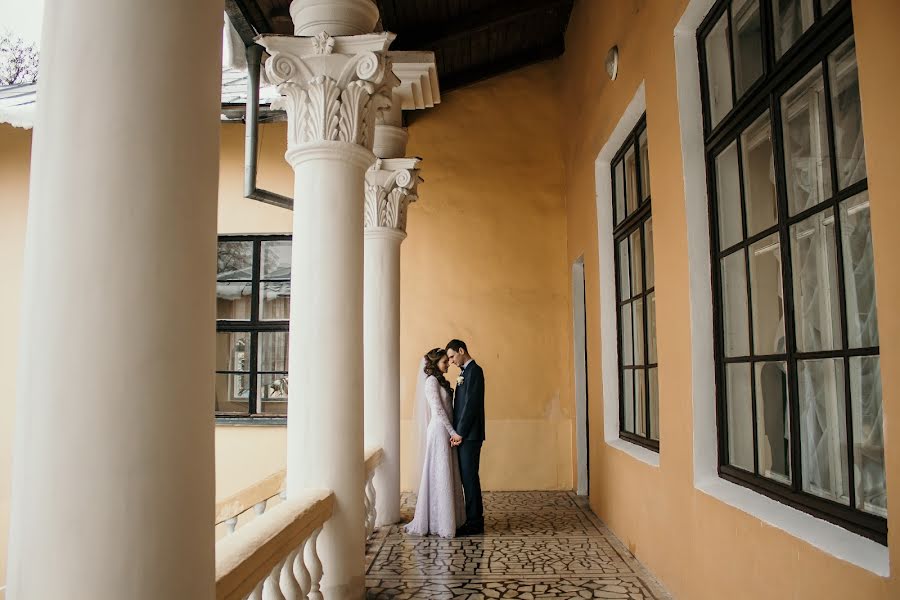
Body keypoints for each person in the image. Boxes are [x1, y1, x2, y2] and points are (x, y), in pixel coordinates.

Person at [405, 348, 466, 537]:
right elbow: (439, 411)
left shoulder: (440, 381)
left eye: (447, 361)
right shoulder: (431, 382)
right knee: (440, 472)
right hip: (439, 431)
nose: (447, 364)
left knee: (447, 472)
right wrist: (453, 432)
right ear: (434, 364)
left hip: (445, 431)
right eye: (444, 362)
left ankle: (450, 519)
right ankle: (440, 523)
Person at [446, 339, 485, 536]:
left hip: (470, 435)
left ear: (462, 350)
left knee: (470, 478)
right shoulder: (464, 373)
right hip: (464, 434)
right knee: (466, 478)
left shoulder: (475, 371)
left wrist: (460, 432)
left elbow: (471, 405)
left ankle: (475, 522)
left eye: (452, 356)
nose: (451, 361)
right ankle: (471, 518)